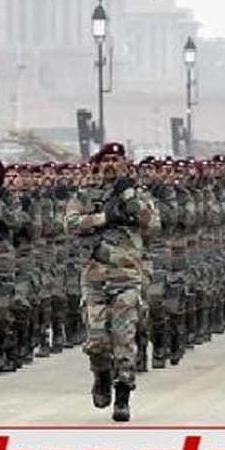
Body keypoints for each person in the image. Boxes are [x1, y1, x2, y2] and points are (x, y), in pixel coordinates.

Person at [66, 142, 159, 422]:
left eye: (116, 159)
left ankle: (123, 394)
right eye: (105, 159)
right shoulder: (85, 194)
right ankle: (102, 374)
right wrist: (103, 217)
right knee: (96, 340)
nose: (110, 164)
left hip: (127, 278)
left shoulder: (138, 194)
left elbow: (152, 225)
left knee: (124, 338)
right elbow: (69, 223)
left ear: (124, 163)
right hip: (93, 278)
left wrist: (129, 196)